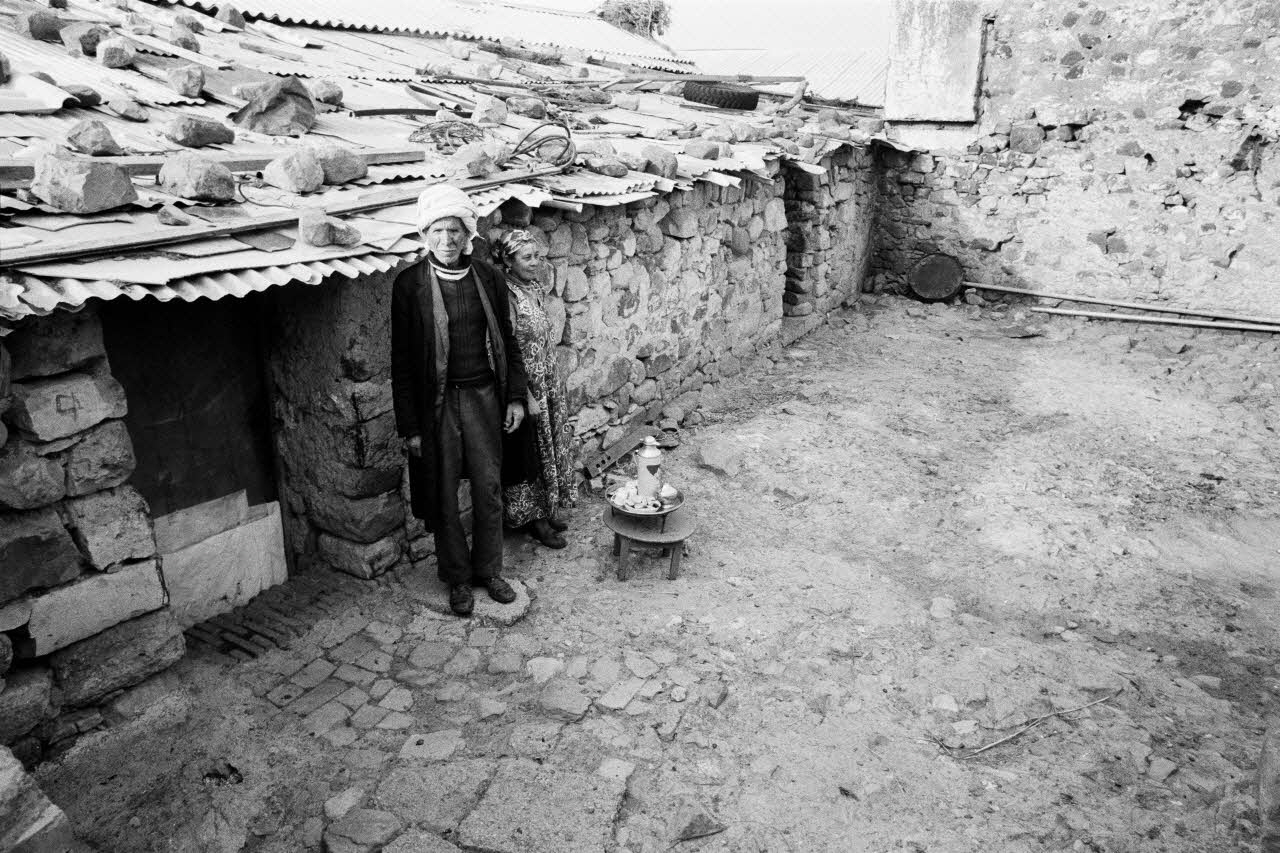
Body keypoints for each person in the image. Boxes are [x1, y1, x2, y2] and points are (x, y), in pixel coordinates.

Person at [390, 185, 528, 617]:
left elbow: (508, 339)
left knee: (488, 486)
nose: (447, 239)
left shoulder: (488, 277)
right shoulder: (410, 284)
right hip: (438, 406)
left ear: (468, 233)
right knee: (444, 490)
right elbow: (402, 360)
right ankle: (456, 578)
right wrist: (410, 426)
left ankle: (489, 570)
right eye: (438, 230)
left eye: (455, 230)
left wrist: (516, 398)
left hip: (485, 395)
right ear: (424, 234)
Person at [491, 230, 576, 549]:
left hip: (548, 381)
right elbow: (506, 348)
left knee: (548, 448)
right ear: (508, 261)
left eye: (537, 256)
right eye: (527, 257)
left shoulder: (534, 288)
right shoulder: (506, 296)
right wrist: (524, 395)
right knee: (531, 454)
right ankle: (535, 521)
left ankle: (547, 508)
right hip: (525, 386)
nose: (535, 263)